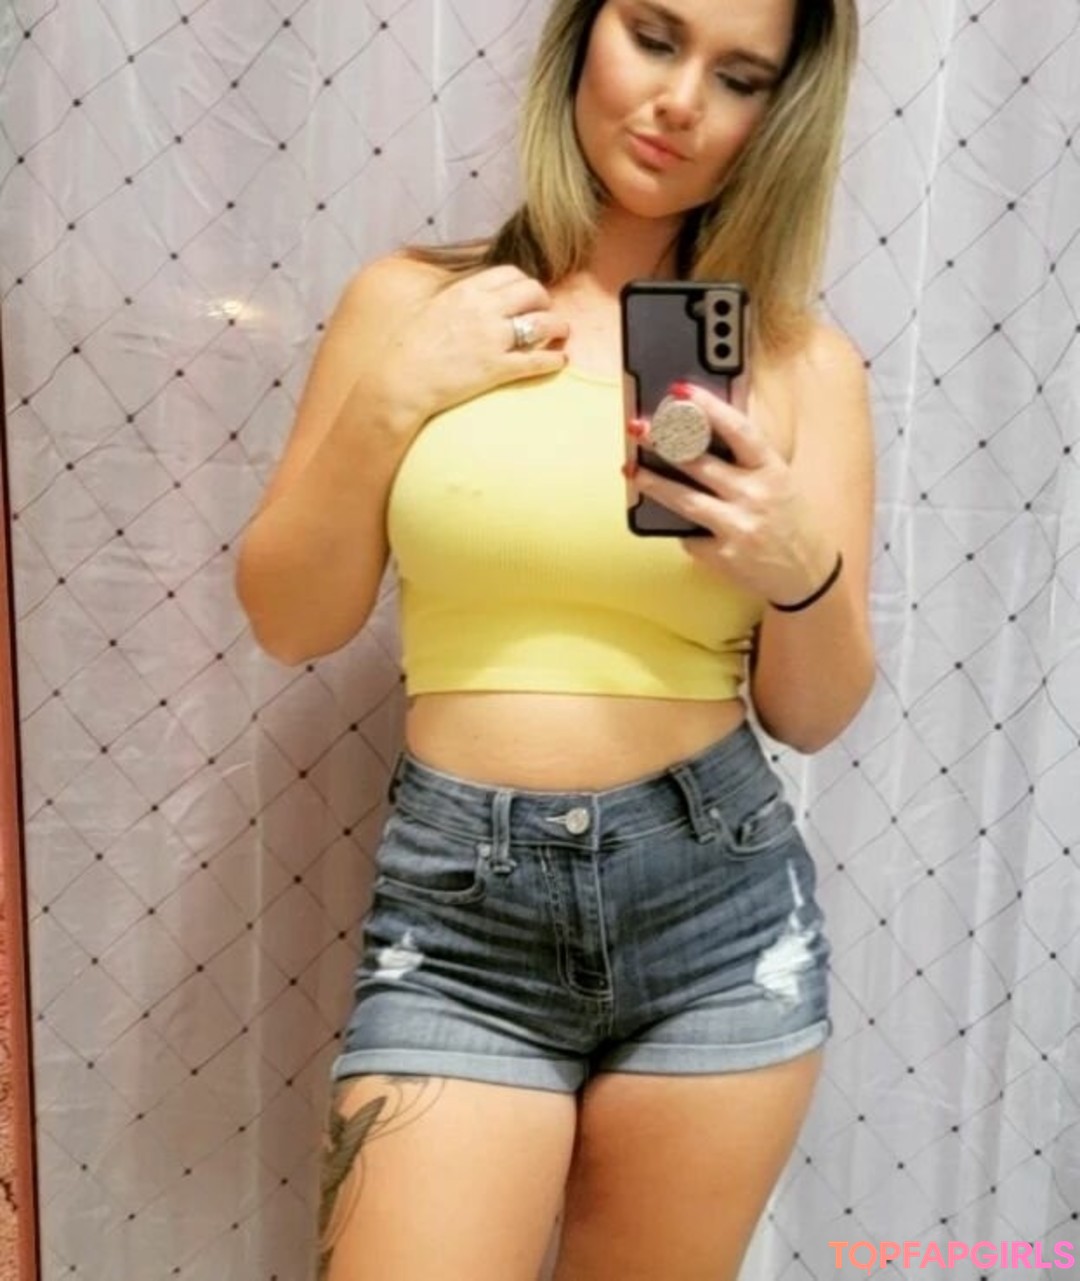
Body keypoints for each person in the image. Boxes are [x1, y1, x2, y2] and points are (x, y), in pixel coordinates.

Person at [235, 0, 874, 1277]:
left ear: (778, 113)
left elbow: (812, 714)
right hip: (458, 920)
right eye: (655, 36)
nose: (681, 101)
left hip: (718, 911)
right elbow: (290, 619)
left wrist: (800, 570)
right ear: (583, 35)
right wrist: (398, 393)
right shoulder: (415, 303)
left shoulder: (803, 365)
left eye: (740, 76)